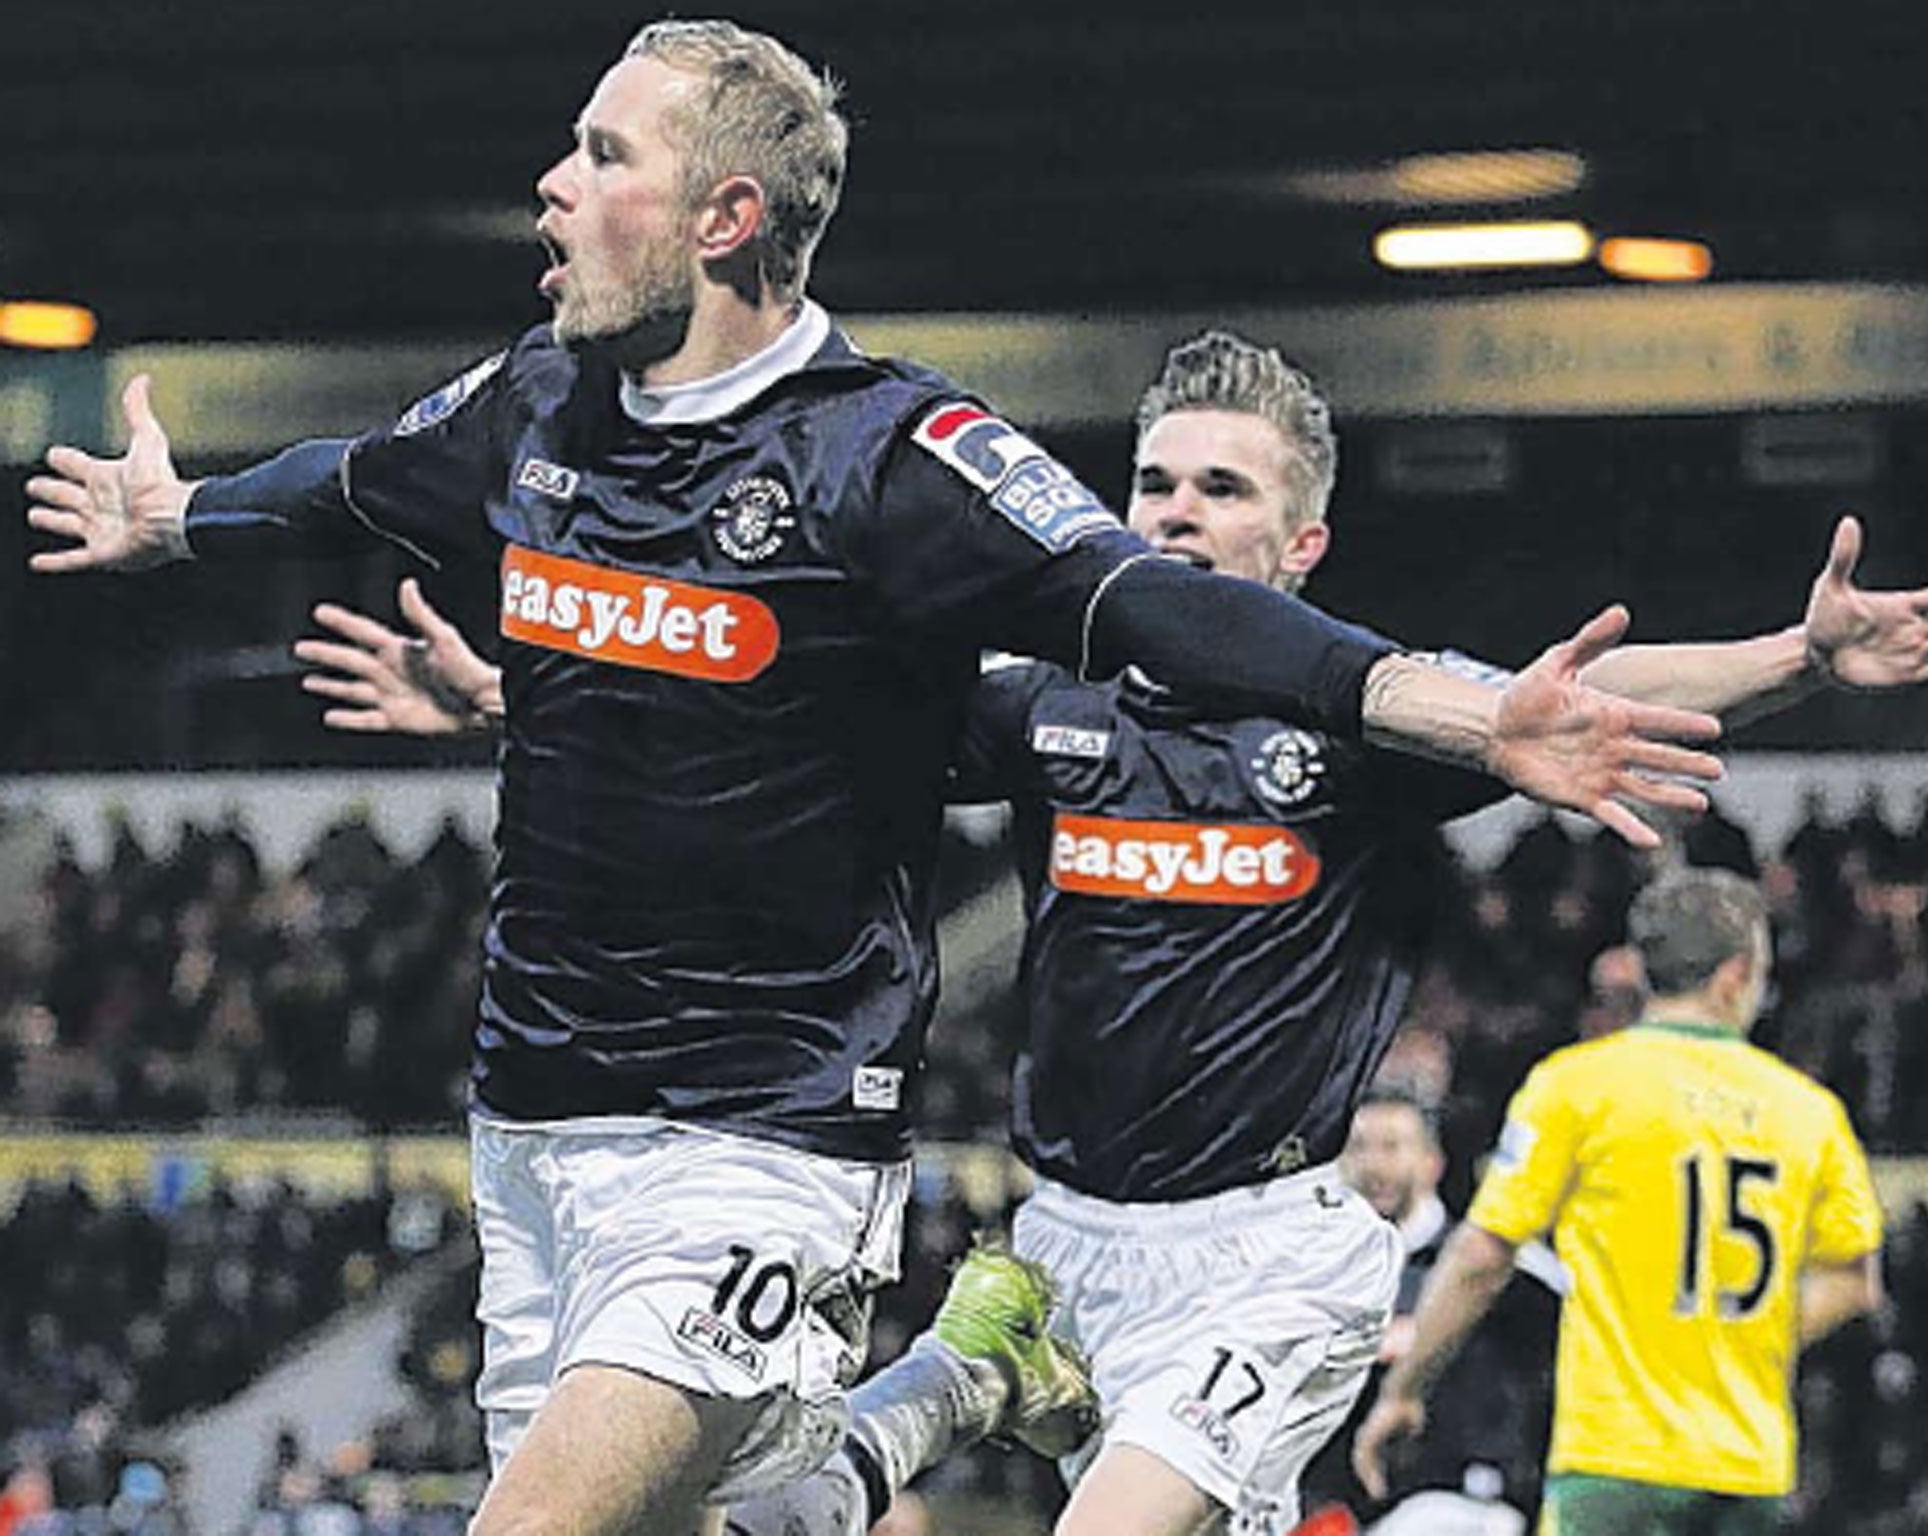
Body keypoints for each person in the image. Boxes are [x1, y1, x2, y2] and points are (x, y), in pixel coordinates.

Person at [20, 23, 1730, 1535]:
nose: (547, 186)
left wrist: (1429, 702)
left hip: (755, 1152)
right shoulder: (537, 403)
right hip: (533, 1128)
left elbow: (1150, 605)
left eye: (600, 154)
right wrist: (184, 519)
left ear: (723, 219)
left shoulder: (896, 457)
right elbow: (356, 480)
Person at [295, 328, 1928, 1536]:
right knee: (768, 1501)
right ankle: (984, 1364)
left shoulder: (1355, 725)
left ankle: (962, 1387)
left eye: (1217, 488)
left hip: (1263, 1258)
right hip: (1062, 1233)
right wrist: (518, 704)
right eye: (1153, 480)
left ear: (1301, 538)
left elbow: (1578, 690)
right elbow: (791, 712)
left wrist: (1791, 660)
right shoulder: (1046, 701)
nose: (1174, 510)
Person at [1354, 868, 1888, 1536]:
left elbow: (1483, 1254)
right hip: (1747, 1461)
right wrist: (1734, 1339)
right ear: (1735, 975)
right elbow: (1854, 1281)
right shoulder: (1809, 1111)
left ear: (1643, 967)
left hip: (1615, 1456)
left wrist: (1404, 1391)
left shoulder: (1577, 1087)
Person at [1294, 1090, 1563, 1530]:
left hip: (1463, 1500)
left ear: (1431, 1162)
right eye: (1359, 1147)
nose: (1375, 1166)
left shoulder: (1497, 1268)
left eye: (1392, 1147)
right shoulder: (1313, 1276)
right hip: (1335, 1507)